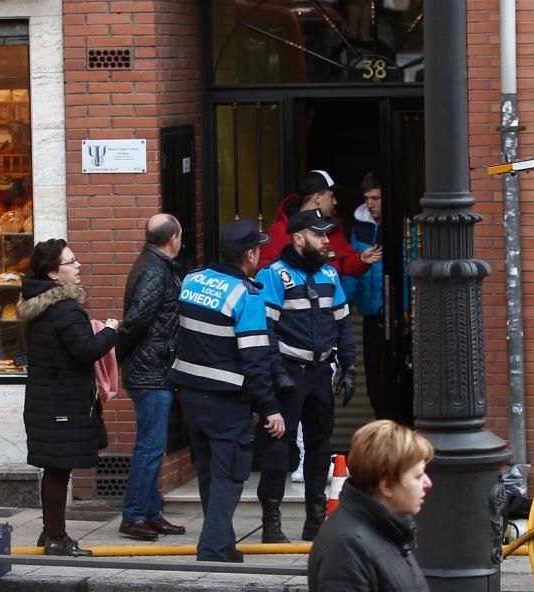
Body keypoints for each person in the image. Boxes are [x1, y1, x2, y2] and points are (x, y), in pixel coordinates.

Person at [169, 219, 286, 562]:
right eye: (259, 251)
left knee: (208, 474)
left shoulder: (192, 280)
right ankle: (213, 550)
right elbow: (255, 360)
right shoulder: (247, 296)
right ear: (249, 255)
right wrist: (270, 408)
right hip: (225, 402)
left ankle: (223, 543)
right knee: (230, 476)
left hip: (190, 396)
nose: (261, 258)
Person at [307, 420, 445, 592]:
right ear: (387, 485)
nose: (428, 483)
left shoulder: (388, 533)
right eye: (418, 476)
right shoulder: (348, 546)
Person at [255, 210, 358, 542]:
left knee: (319, 444)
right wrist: (276, 372)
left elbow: (342, 323)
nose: (327, 241)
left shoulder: (329, 273)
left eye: (328, 234)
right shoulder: (274, 275)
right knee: (278, 448)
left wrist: (350, 365)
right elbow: (265, 329)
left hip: (319, 372)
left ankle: (315, 519)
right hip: (288, 371)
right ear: (299, 238)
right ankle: (271, 521)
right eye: (320, 235)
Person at [18, 239, 119, 556]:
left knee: (54, 468)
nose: (78, 266)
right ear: (52, 273)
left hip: (47, 401)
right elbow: (86, 350)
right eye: (70, 262)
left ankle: (51, 531)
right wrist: (110, 330)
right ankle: (57, 538)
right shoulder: (65, 310)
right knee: (59, 469)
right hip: (61, 403)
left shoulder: (42, 307)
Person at [115, 213, 186, 541]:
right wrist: (121, 355)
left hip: (153, 367)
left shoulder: (154, 265)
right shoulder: (155, 270)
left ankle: (151, 512)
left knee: (155, 445)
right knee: (150, 446)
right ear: (173, 238)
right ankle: (134, 516)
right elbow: (136, 320)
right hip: (150, 370)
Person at [343, 171, 415, 424]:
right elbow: (353, 271)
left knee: (402, 381)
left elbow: (412, 268)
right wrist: (342, 307)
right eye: (367, 198)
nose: (370, 204)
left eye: (376, 198)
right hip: (372, 313)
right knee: (376, 382)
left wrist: (407, 307)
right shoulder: (360, 229)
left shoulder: (406, 225)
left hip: (400, 316)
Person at [258, 169, 381, 273]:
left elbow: (343, 263)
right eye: (331, 196)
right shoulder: (280, 230)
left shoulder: (334, 227)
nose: (335, 202)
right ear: (317, 197)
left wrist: (361, 259)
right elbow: (265, 271)